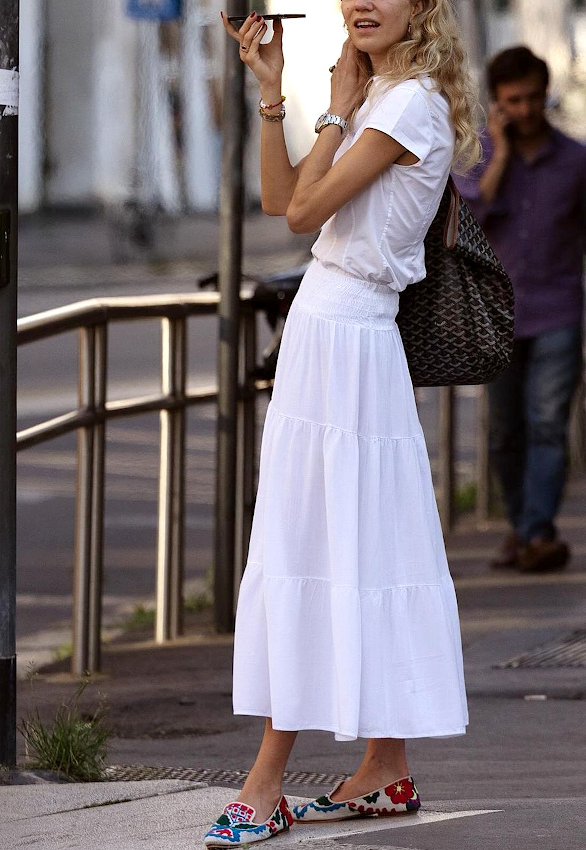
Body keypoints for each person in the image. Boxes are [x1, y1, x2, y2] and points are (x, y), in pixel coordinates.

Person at [206, 1, 479, 846]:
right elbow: (280, 196)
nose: (362, 3)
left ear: (422, 6)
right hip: (331, 337)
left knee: (313, 545)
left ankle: (265, 784)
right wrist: (275, 93)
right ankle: (384, 768)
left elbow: (301, 215)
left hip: (351, 337)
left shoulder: (407, 105)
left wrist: (332, 105)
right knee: (358, 545)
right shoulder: (378, 98)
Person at [457, 47, 586, 574]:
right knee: (505, 433)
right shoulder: (478, 154)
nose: (527, 109)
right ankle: (522, 527)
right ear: (497, 102)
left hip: (559, 310)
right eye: (514, 101)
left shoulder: (576, 160)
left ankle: (537, 533)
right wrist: (501, 155)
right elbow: (468, 219)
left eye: (534, 98)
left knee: (548, 425)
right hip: (497, 318)